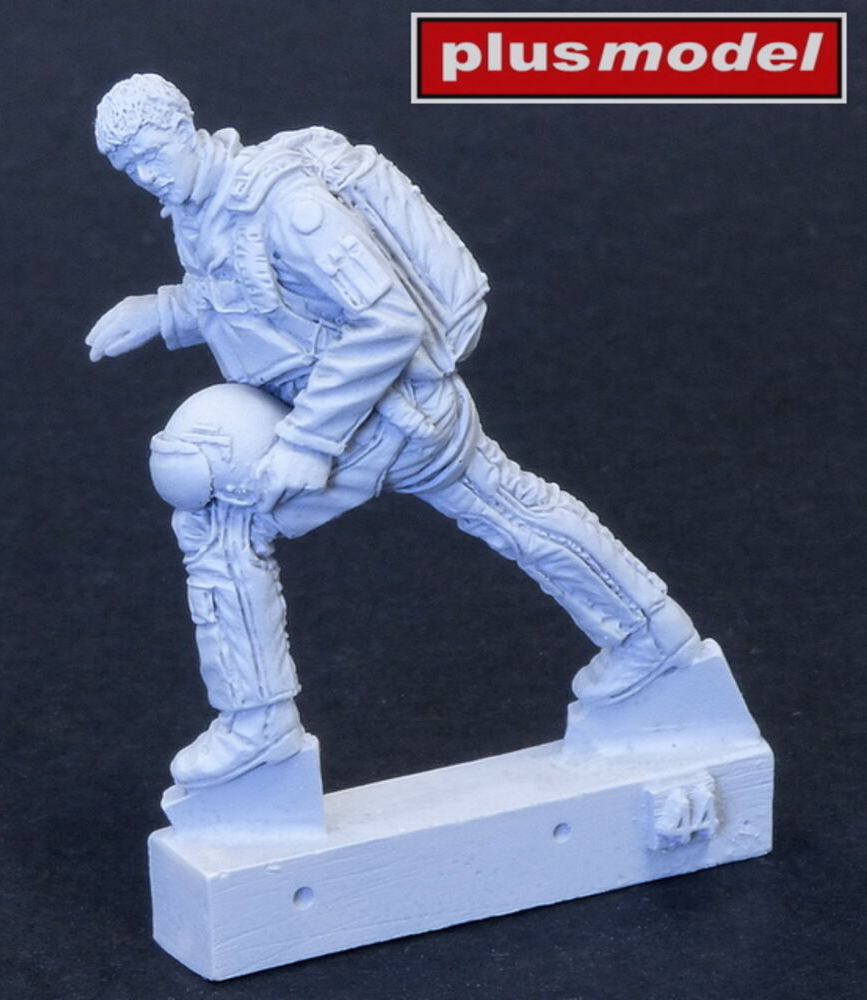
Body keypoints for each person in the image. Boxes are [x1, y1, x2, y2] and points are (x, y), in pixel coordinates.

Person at [86, 73, 703, 789]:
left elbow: (388, 320)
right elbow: (253, 301)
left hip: (392, 414)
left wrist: (307, 442)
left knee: (224, 523)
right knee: (510, 506)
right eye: (129, 168)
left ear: (184, 127)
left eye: (151, 154)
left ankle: (258, 725)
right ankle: (651, 632)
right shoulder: (204, 207)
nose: (146, 176)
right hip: (358, 409)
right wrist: (164, 312)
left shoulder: (287, 205)